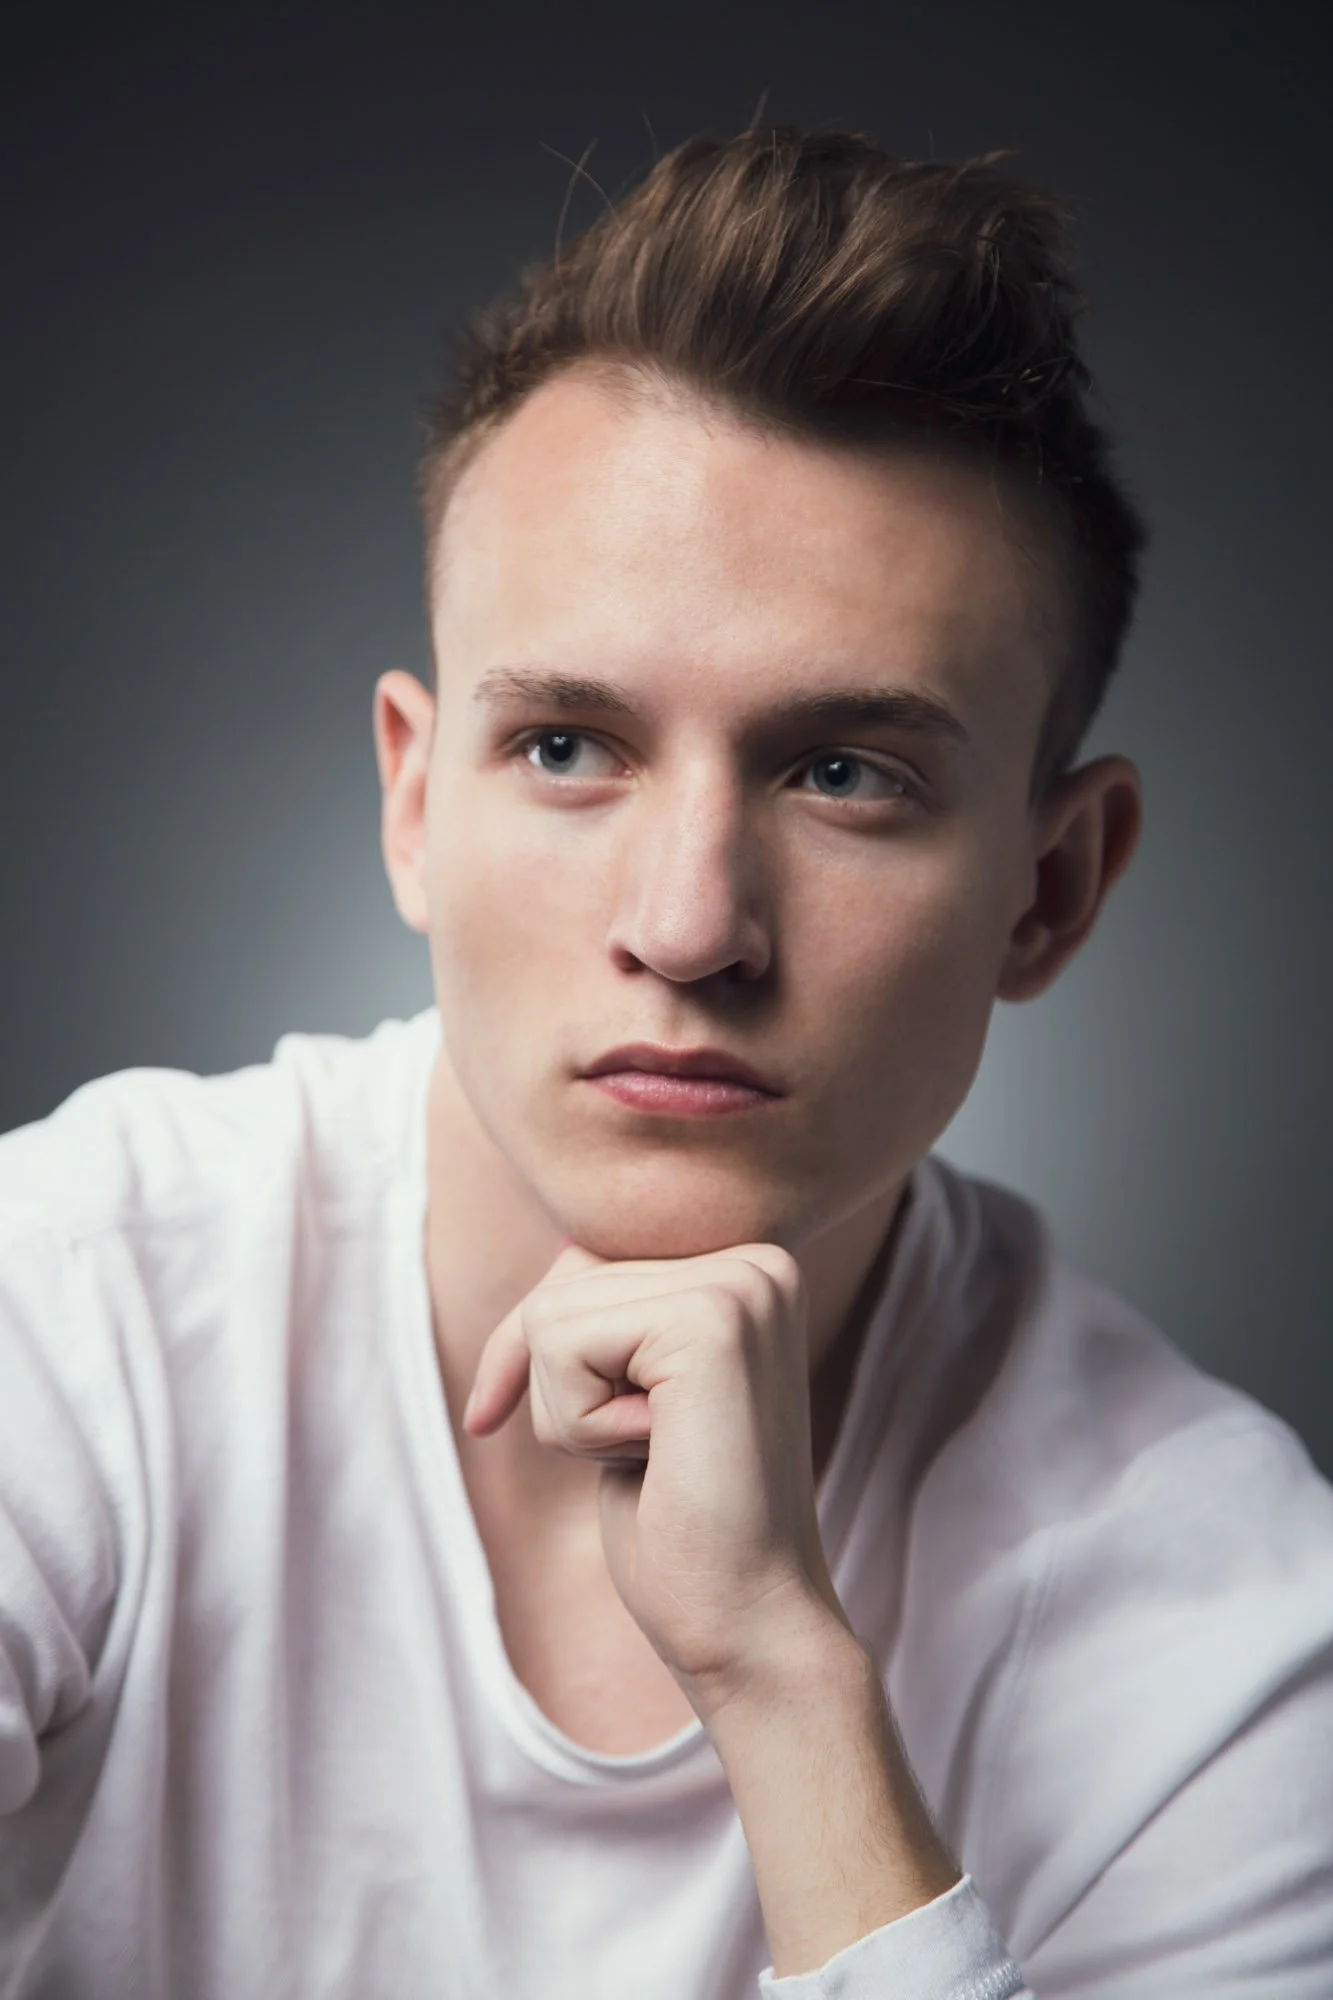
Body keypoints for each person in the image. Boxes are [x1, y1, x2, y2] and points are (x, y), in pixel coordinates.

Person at [1, 124, 1330, 2000]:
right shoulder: (72, 1310)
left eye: (844, 772)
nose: (692, 922)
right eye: (566, 746)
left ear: (1051, 889)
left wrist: (782, 1681)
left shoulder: (1230, 1617)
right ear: (411, 801)